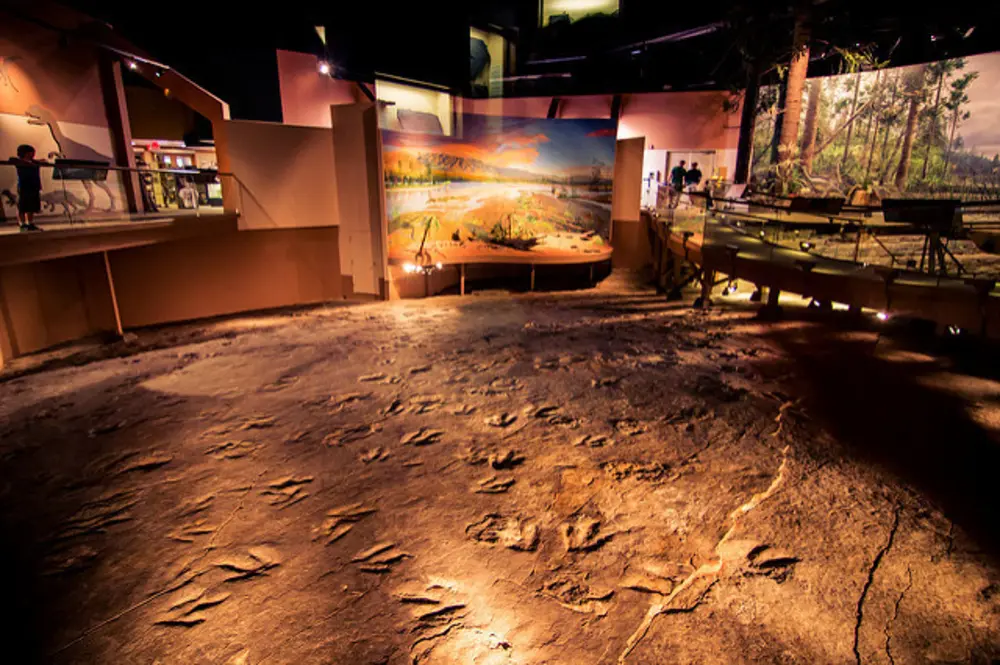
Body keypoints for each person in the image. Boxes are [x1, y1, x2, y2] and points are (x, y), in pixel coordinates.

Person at [10, 144, 43, 231]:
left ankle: (30, 223)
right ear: (26, 153)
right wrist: (30, 164)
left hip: (34, 186)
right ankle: (22, 224)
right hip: (24, 186)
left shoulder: (34, 162)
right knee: (22, 206)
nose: (33, 154)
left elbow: (42, 162)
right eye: (32, 152)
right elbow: (12, 160)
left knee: (31, 206)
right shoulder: (19, 162)